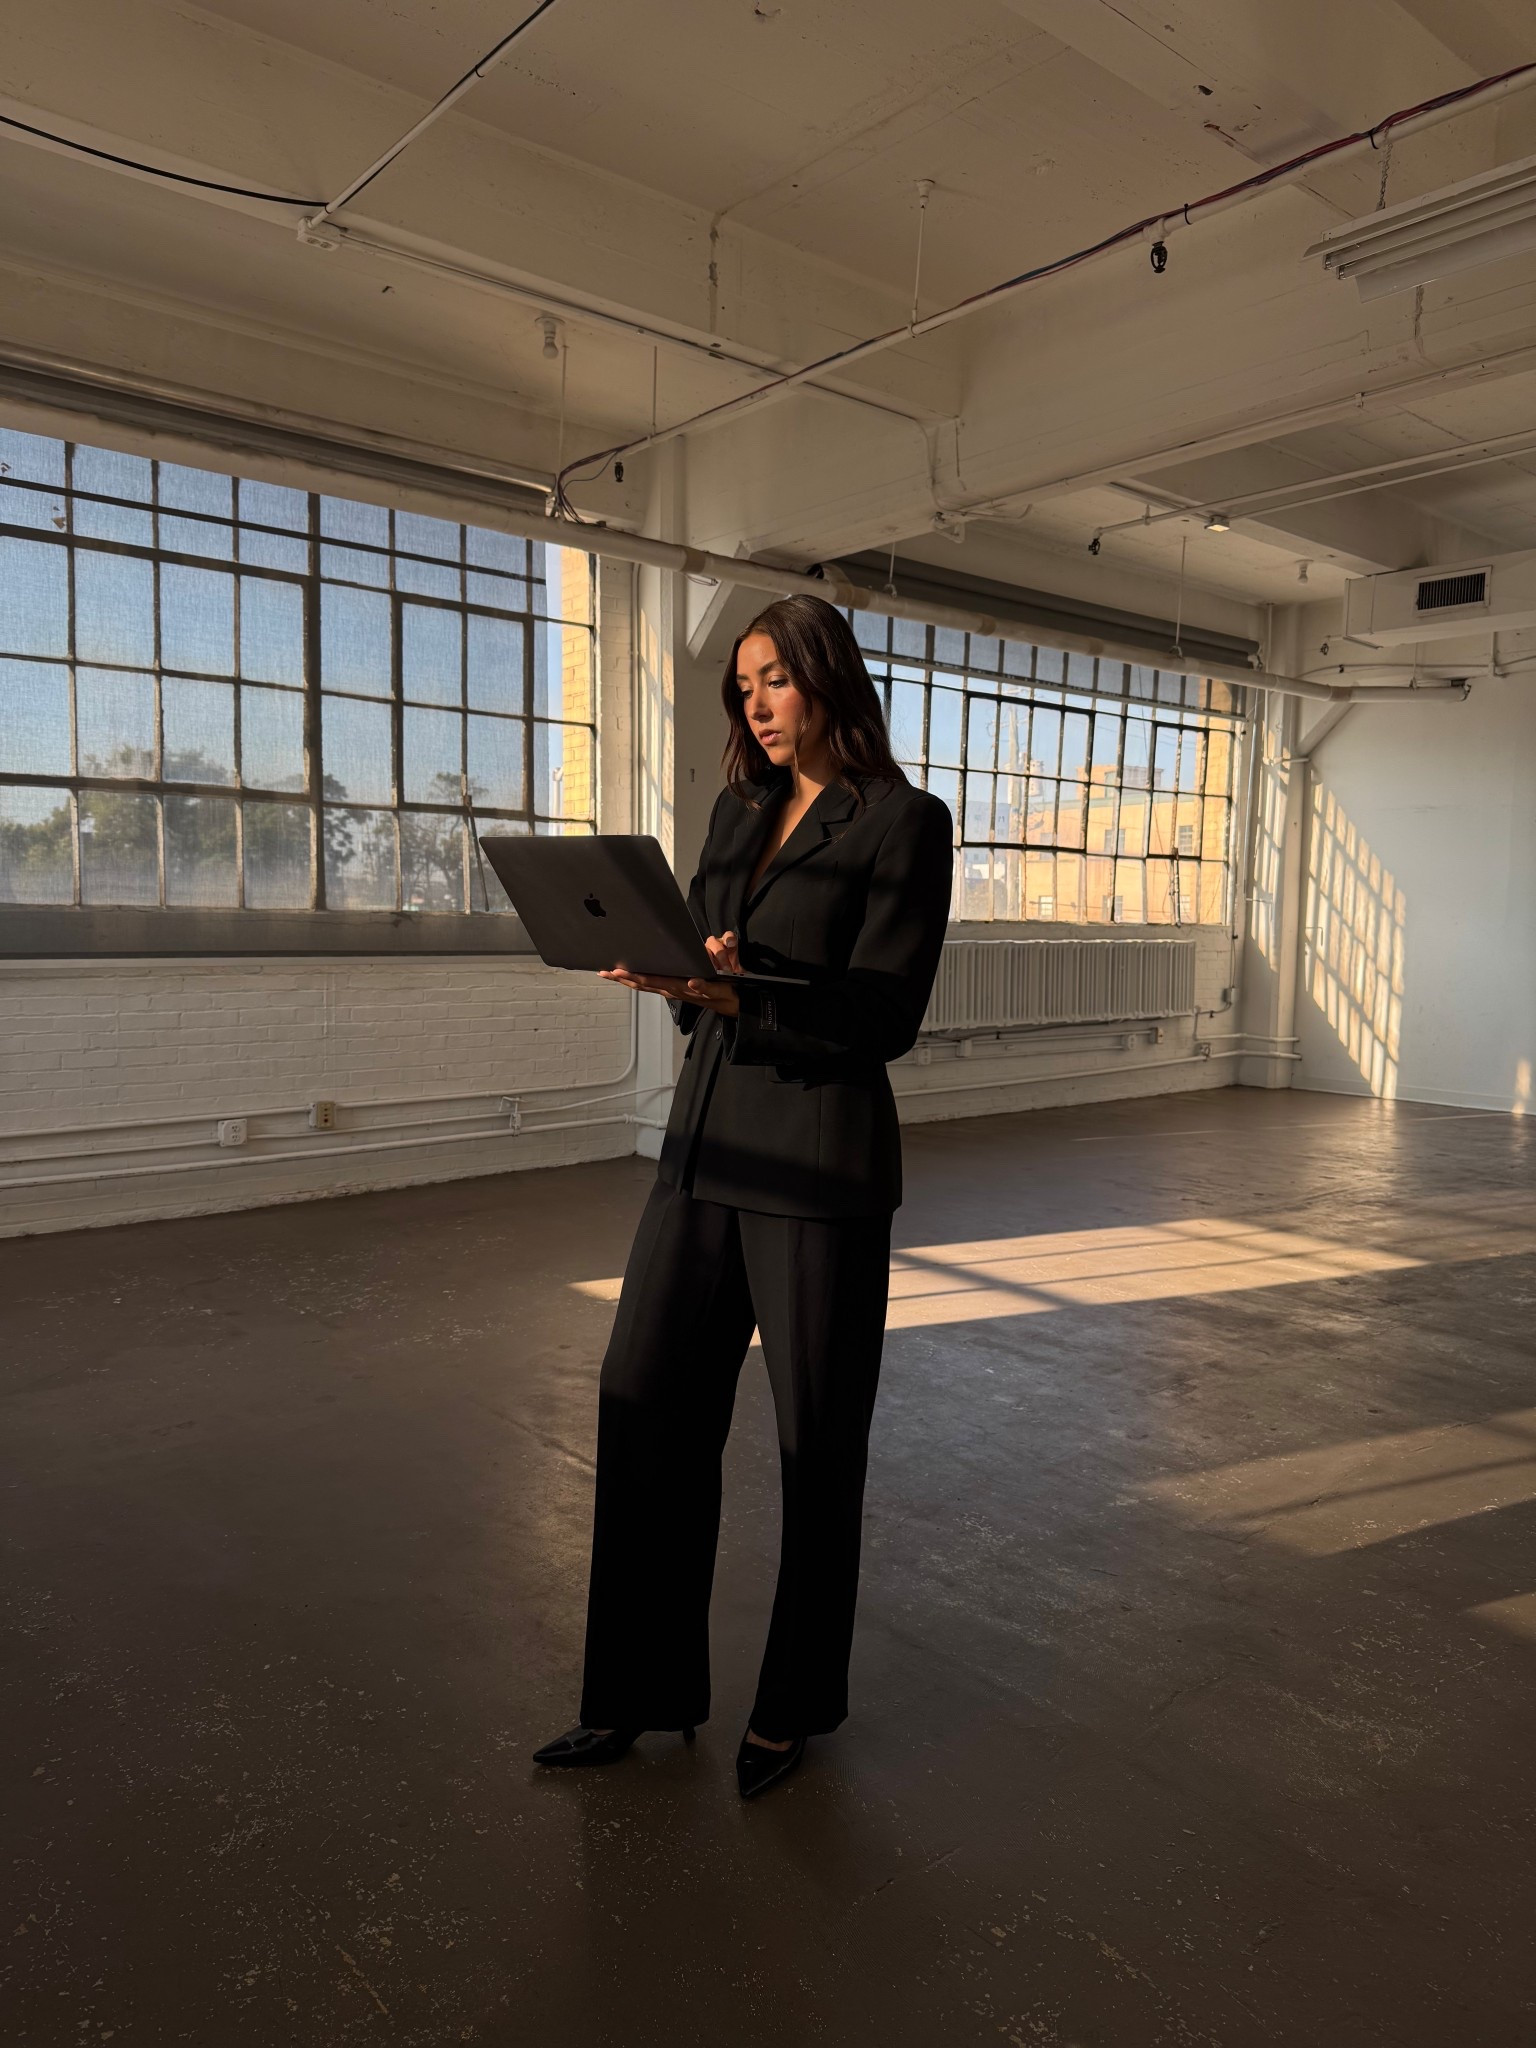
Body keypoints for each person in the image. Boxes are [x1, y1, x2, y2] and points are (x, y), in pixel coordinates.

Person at [533, 593, 953, 1798]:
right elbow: (709, 974)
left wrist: (744, 993)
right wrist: (679, 974)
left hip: (819, 1163)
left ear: (828, 678)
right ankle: (635, 1691)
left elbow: (886, 1016)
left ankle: (793, 1704)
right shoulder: (736, 811)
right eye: (744, 683)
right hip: (705, 1144)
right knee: (641, 1397)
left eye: (775, 678)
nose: (757, 704)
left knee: (817, 1439)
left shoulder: (904, 823)